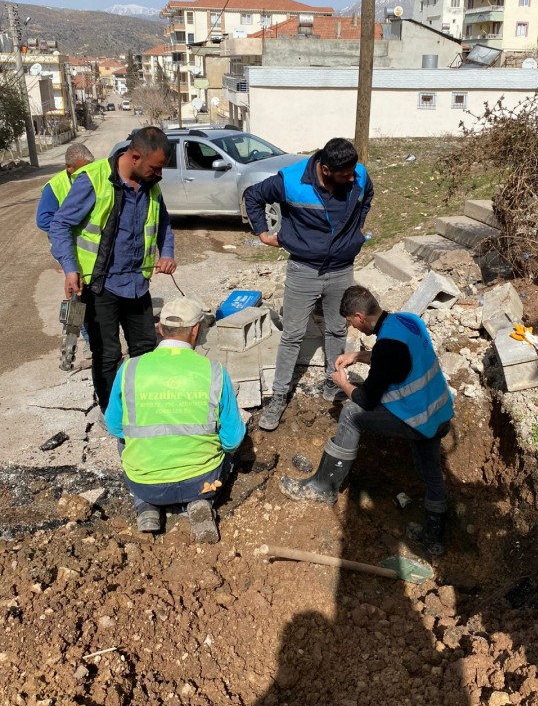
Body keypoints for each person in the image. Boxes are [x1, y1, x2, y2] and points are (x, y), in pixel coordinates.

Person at [280, 285, 454, 556]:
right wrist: (357, 356)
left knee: (351, 414)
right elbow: (395, 359)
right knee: (430, 469)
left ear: (360, 317)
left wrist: (341, 382)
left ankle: (323, 487)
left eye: (351, 323)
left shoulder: (386, 346)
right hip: (439, 413)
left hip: (416, 419)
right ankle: (434, 537)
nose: (353, 328)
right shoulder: (407, 321)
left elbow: (366, 400)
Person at [244, 138, 374, 431]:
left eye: (354, 172)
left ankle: (332, 382)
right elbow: (253, 196)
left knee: (337, 327)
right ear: (325, 170)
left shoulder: (359, 174)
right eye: (345, 174)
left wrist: (357, 228)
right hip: (303, 269)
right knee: (292, 334)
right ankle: (279, 396)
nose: (353, 177)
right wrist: (263, 233)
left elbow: (367, 194)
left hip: (341, 268)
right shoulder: (290, 180)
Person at [49, 126, 176, 417]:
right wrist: (70, 269)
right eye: (156, 168)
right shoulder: (93, 181)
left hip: (136, 284)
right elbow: (60, 225)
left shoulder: (151, 185)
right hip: (98, 287)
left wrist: (166, 253)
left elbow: (164, 224)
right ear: (134, 157)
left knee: (144, 348)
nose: (160, 175)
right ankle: (111, 413)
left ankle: (142, 404)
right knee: (107, 355)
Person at [105, 295, 245, 541]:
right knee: (230, 448)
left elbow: (115, 426)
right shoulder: (214, 372)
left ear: (159, 328)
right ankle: (200, 504)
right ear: (195, 330)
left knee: (125, 438)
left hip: (146, 483)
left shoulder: (130, 369)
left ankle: (146, 506)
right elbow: (232, 440)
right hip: (202, 480)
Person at [36, 143, 95, 232]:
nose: (87, 172)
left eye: (90, 167)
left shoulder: (97, 175)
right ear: (68, 167)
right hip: (69, 243)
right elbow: (43, 220)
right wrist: (71, 226)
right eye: (82, 170)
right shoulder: (54, 186)